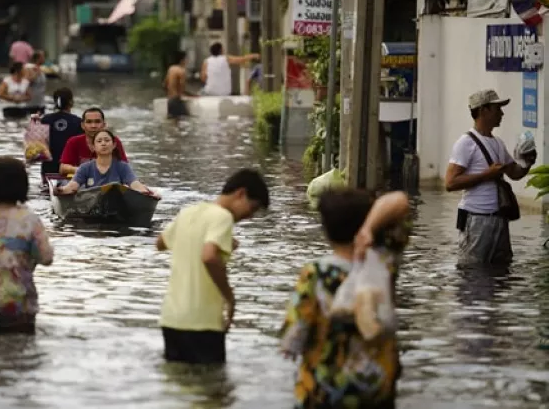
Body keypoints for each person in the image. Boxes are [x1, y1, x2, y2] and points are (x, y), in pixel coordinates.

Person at [279, 189, 411, 409]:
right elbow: (401, 201)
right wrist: (369, 229)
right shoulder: (383, 263)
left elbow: (295, 333)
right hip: (376, 389)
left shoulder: (316, 273)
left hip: (325, 391)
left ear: (326, 229)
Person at [155, 169, 270, 364]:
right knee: (213, 382)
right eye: (253, 207)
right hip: (203, 322)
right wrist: (230, 298)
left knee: (178, 379)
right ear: (241, 194)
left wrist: (214, 241)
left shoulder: (189, 212)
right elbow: (208, 257)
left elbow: (160, 243)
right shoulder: (223, 217)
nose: (250, 216)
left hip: (172, 320)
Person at [445, 89, 535, 266]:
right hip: (476, 220)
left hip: (499, 219)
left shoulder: (498, 143)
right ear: (483, 110)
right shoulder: (466, 142)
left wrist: (527, 162)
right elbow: (450, 183)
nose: (501, 113)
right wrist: (487, 175)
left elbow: (514, 173)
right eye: (497, 108)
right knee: (473, 271)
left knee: (501, 269)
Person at [0, 156, 54, 334]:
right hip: (16, 302)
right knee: (18, 349)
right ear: (23, 185)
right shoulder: (29, 219)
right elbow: (46, 258)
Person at [57, 130, 155, 196]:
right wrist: (61, 190)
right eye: (99, 141)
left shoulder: (123, 167)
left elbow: (135, 184)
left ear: (114, 145)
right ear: (93, 147)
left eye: (107, 140)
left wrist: (148, 193)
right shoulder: (85, 168)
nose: (103, 143)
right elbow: (72, 186)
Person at [58, 107, 128, 176]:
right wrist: (83, 170)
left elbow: (125, 169)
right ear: (82, 125)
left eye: (97, 122)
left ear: (104, 125)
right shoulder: (73, 142)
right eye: (89, 122)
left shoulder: (114, 141)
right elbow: (62, 168)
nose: (93, 126)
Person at [40, 88, 84, 177]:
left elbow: (39, 145)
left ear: (55, 102)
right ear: (71, 102)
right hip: (70, 168)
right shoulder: (78, 122)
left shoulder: (45, 119)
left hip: (48, 167)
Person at [163, 50, 194, 119]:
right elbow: (182, 89)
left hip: (170, 101)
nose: (186, 61)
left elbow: (164, 85)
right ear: (182, 60)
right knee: (187, 119)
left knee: (173, 121)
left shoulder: (170, 69)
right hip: (176, 100)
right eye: (186, 59)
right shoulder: (181, 71)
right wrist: (193, 95)